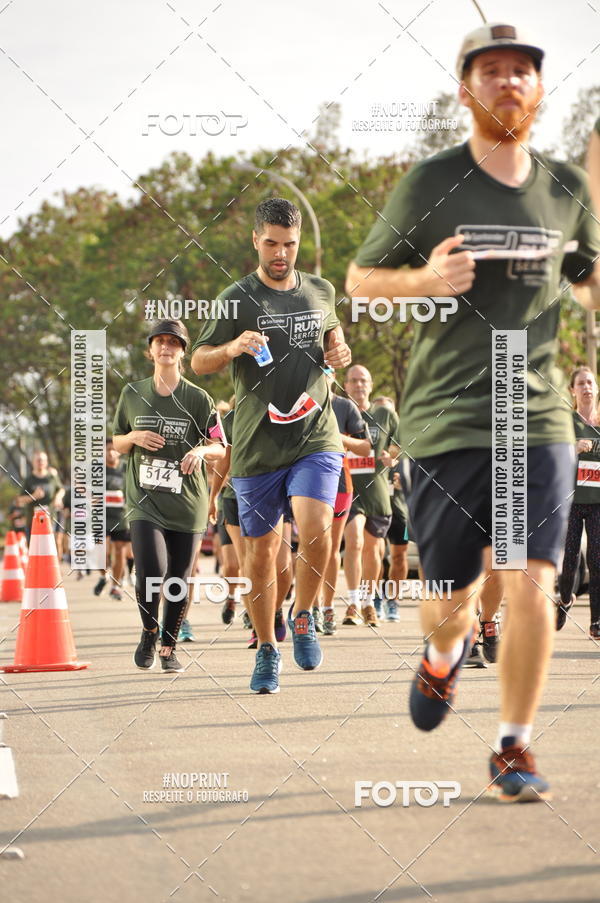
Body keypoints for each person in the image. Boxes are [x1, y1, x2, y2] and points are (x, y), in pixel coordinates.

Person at [346, 23, 600, 801]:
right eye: (491, 71)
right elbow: (359, 279)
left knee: (530, 582)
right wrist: (423, 278)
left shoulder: (566, 189)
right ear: (465, 90)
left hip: (535, 415)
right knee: (450, 601)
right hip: (447, 417)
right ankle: (442, 655)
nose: (508, 82)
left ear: (539, 89)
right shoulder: (431, 183)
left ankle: (513, 747)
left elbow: (588, 282)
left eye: (522, 70)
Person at [192, 197, 351, 694]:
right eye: (272, 244)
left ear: (298, 242)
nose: (281, 253)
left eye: (290, 244)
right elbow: (199, 361)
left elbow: (334, 337)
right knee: (260, 555)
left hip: (314, 435)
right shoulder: (235, 298)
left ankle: (303, 617)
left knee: (316, 526)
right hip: (258, 444)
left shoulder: (321, 289)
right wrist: (231, 348)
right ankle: (266, 648)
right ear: (255, 241)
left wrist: (339, 349)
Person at [112, 319, 225, 673]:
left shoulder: (198, 398)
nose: (165, 347)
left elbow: (220, 446)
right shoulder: (132, 393)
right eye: (160, 341)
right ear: (150, 350)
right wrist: (134, 438)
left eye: (173, 343)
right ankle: (148, 631)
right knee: (151, 570)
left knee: (178, 578)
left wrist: (201, 453)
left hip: (187, 503)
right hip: (145, 501)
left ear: (181, 351)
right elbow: (116, 441)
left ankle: (168, 646)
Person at [342, 365, 398, 627]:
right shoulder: (339, 410)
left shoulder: (384, 413)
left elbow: (400, 445)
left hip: (377, 490)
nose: (358, 385)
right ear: (346, 385)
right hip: (348, 486)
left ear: (371, 385)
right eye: (353, 380)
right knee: (353, 541)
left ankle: (367, 602)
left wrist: (392, 458)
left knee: (374, 550)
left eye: (363, 380)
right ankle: (352, 602)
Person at [316, 369, 371, 635]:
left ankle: (326, 608)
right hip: (302, 484)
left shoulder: (344, 406)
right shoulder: (297, 401)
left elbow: (365, 447)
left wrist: (339, 438)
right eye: (317, 369)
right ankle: (309, 606)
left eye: (327, 370)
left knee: (330, 548)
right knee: (308, 545)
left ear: (333, 375)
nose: (322, 375)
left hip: (338, 484)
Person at [557, 367, 600, 637]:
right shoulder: (567, 422)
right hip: (571, 500)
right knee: (569, 559)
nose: (586, 387)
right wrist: (574, 448)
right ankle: (564, 600)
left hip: (597, 501)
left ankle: (597, 621)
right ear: (573, 390)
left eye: (590, 383)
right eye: (581, 383)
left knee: (597, 559)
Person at [94, 438, 131, 601]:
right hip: (101, 516)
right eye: (107, 449)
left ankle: (116, 586)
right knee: (102, 552)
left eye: (113, 449)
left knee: (120, 550)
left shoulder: (126, 467)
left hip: (121, 516)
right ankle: (103, 577)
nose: (110, 452)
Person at [16, 451, 64, 542]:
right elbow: (20, 499)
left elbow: (61, 489)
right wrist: (33, 496)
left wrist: (58, 497)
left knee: (51, 549)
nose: (40, 462)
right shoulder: (28, 480)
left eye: (42, 460)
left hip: (50, 520)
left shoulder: (52, 477)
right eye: (38, 460)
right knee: (35, 550)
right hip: (33, 522)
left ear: (46, 462)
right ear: (33, 462)